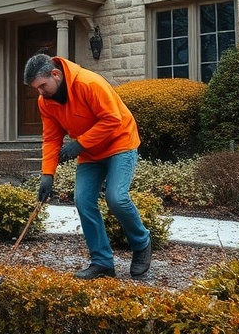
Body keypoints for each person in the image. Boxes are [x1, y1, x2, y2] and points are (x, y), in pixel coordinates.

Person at [23, 54, 152, 280]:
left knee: (117, 198)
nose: (40, 92)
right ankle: (102, 262)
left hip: (120, 143)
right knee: (83, 200)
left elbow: (112, 120)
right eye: (37, 88)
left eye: (42, 86)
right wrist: (47, 174)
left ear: (56, 74)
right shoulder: (46, 102)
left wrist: (80, 144)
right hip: (91, 153)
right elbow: (51, 138)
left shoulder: (89, 83)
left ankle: (142, 243)